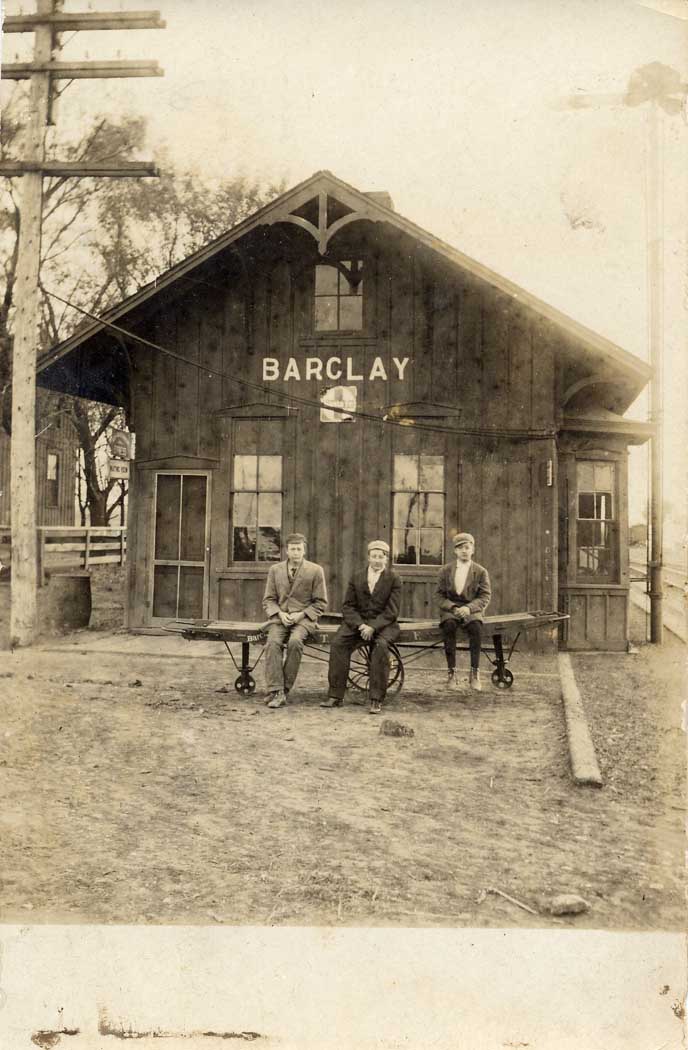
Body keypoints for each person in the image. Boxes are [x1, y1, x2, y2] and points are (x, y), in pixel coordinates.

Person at [321, 540, 402, 714]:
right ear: (368, 557)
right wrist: (360, 625)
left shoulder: (394, 578)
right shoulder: (357, 576)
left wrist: (372, 627)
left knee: (380, 647)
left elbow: (392, 611)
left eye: (381, 557)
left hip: (384, 624)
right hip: (358, 623)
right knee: (338, 644)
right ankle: (335, 695)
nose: (377, 560)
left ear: (386, 559)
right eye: (374, 556)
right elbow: (348, 606)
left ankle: (376, 699)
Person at [262, 533, 327, 709]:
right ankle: (276, 690)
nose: (296, 552)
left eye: (299, 549)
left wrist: (301, 615)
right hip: (280, 618)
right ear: (286, 551)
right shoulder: (275, 570)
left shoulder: (315, 570)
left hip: (304, 620)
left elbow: (320, 603)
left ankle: (283, 689)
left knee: (295, 642)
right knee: (273, 643)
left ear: (304, 550)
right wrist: (280, 614)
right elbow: (268, 599)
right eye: (292, 549)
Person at [436, 532, 491, 692]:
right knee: (449, 626)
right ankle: (451, 673)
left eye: (467, 547)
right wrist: (452, 608)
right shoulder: (445, 571)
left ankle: (475, 672)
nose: (464, 551)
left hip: (471, 608)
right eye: (460, 548)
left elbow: (485, 596)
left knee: (476, 628)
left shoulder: (480, 572)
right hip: (451, 608)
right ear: (455, 551)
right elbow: (438, 595)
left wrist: (469, 608)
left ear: (473, 549)